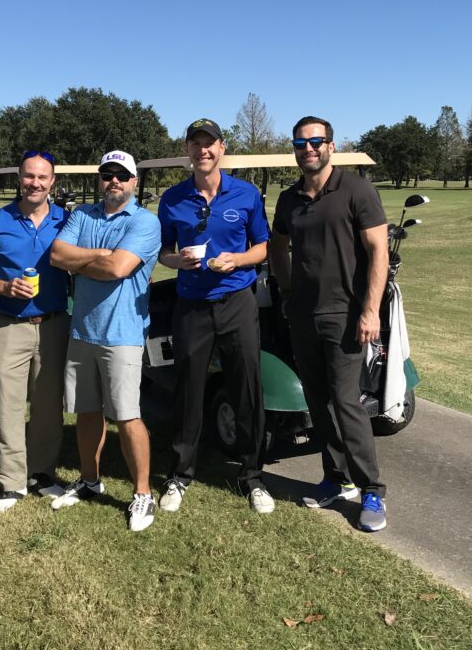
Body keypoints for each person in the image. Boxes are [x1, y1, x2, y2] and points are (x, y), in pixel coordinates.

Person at [268, 116, 391, 532]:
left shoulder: (357, 190)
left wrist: (370, 311)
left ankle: (371, 488)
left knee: (345, 402)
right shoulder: (289, 200)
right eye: (301, 143)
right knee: (318, 403)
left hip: (345, 317)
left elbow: (379, 253)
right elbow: (277, 245)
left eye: (316, 141)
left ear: (331, 146)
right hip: (302, 315)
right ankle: (335, 479)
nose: (309, 149)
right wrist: (286, 292)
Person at [156, 118, 274, 514]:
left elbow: (263, 247)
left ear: (222, 148)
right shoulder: (172, 199)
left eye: (209, 144)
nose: (202, 151)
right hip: (191, 303)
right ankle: (179, 475)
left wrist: (237, 260)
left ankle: (253, 476)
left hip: (237, 301)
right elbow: (162, 252)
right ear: (187, 151)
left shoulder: (246, 194)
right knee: (188, 388)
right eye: (195, 144)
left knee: (246, 386)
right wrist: (179, 261)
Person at [49, 150, 161, 532]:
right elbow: (56, 254)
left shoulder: (145, 222)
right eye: (107, 175)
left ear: (133, 182)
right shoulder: (82, 215)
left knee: (128, 416)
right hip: (83, 330)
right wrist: (96, 255)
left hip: (123, 335)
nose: (114, 181)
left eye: (121, 176)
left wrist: (81, 261)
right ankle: (89, 478)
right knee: (86, 411)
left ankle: (142, 494)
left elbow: (118, 268)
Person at [0, 150, 71, 516]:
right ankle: (12, 483)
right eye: (29, 176)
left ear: (52, 181)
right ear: (19, 179)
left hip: (55, 324)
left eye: (43, 177)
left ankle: (41, 473)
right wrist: (4, 286)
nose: (35, 183)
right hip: (9, 325)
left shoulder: (67, 222)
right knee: (7, 404)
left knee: (47, 406)